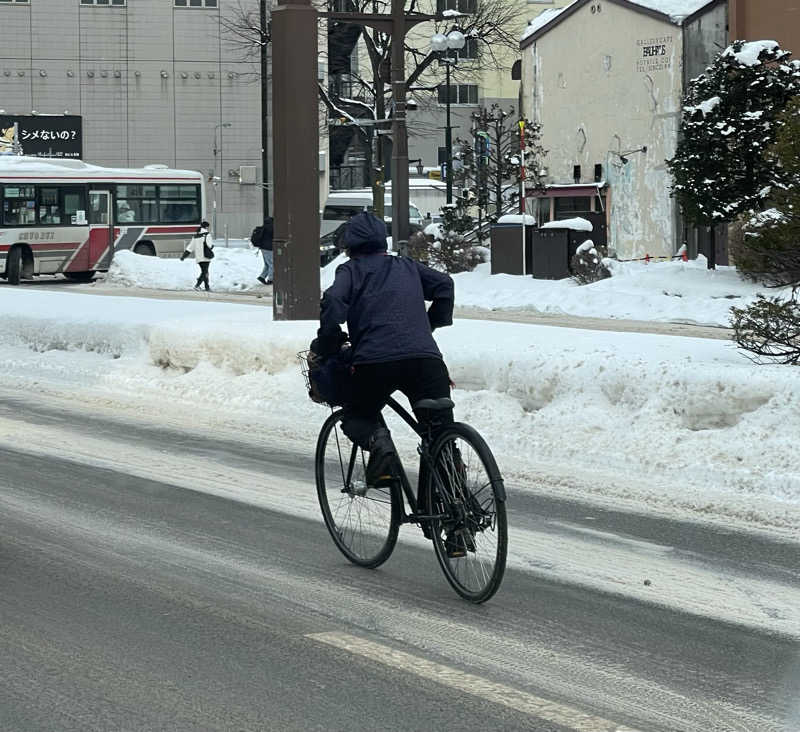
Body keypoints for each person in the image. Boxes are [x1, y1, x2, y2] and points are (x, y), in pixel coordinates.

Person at [310, 210, 455, 490]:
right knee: (440, 434)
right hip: (428, 363)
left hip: (375, 364)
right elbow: (445, 285)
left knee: (358, 413)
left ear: (350, 245)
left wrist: (328, 341)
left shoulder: (352, 270)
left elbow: (333, 300)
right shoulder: (407, 266)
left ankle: (380, 446)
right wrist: (429, 325)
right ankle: (455, 508)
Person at [181, 220, 213, 291]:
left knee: (205, 271)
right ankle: (197, 285)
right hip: (206, 257)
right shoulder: (207, 235)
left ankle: (207, 287)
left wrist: (184, 256)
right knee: (205, 272)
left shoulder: (195, 236)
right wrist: (212, 246)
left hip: (199, 258)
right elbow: (210, 246)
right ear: (206, 227)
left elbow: (190, 247)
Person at [254, 216, 274, 285]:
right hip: (269, 248)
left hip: (263, 248)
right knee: (272, 264)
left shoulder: (264, 227)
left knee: (267, 264)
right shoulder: (271, 228)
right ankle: (270, 280)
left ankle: (262, 277)